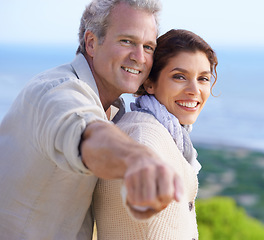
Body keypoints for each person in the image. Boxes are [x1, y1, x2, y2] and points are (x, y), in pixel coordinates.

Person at [0, 0, 184, 239]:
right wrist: (136, 159)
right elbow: (84, 130)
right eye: (126, 41)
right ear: (91, 43)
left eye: (148, 47)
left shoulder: (115, 110)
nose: (140, 57)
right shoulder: (57, 91)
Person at [93, 29, 218, 240]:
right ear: (150, 83)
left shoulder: (162, 131)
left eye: (203, 78)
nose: (194, 90)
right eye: (180, 77)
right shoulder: (145, 140)